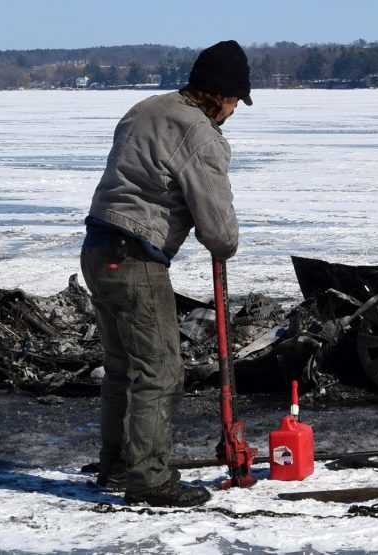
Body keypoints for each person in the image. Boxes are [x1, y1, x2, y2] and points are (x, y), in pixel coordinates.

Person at [79, 40, 251, 507]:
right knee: (160, 372)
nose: (235, 110)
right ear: (221, 95)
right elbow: (220, 233)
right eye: (236, 100)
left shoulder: (145, 109)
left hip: (97, 248)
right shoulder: (200, 134)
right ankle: (150, 480)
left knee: (122, 368)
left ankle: (117, 465)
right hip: (136, 257)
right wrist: (222, 238)